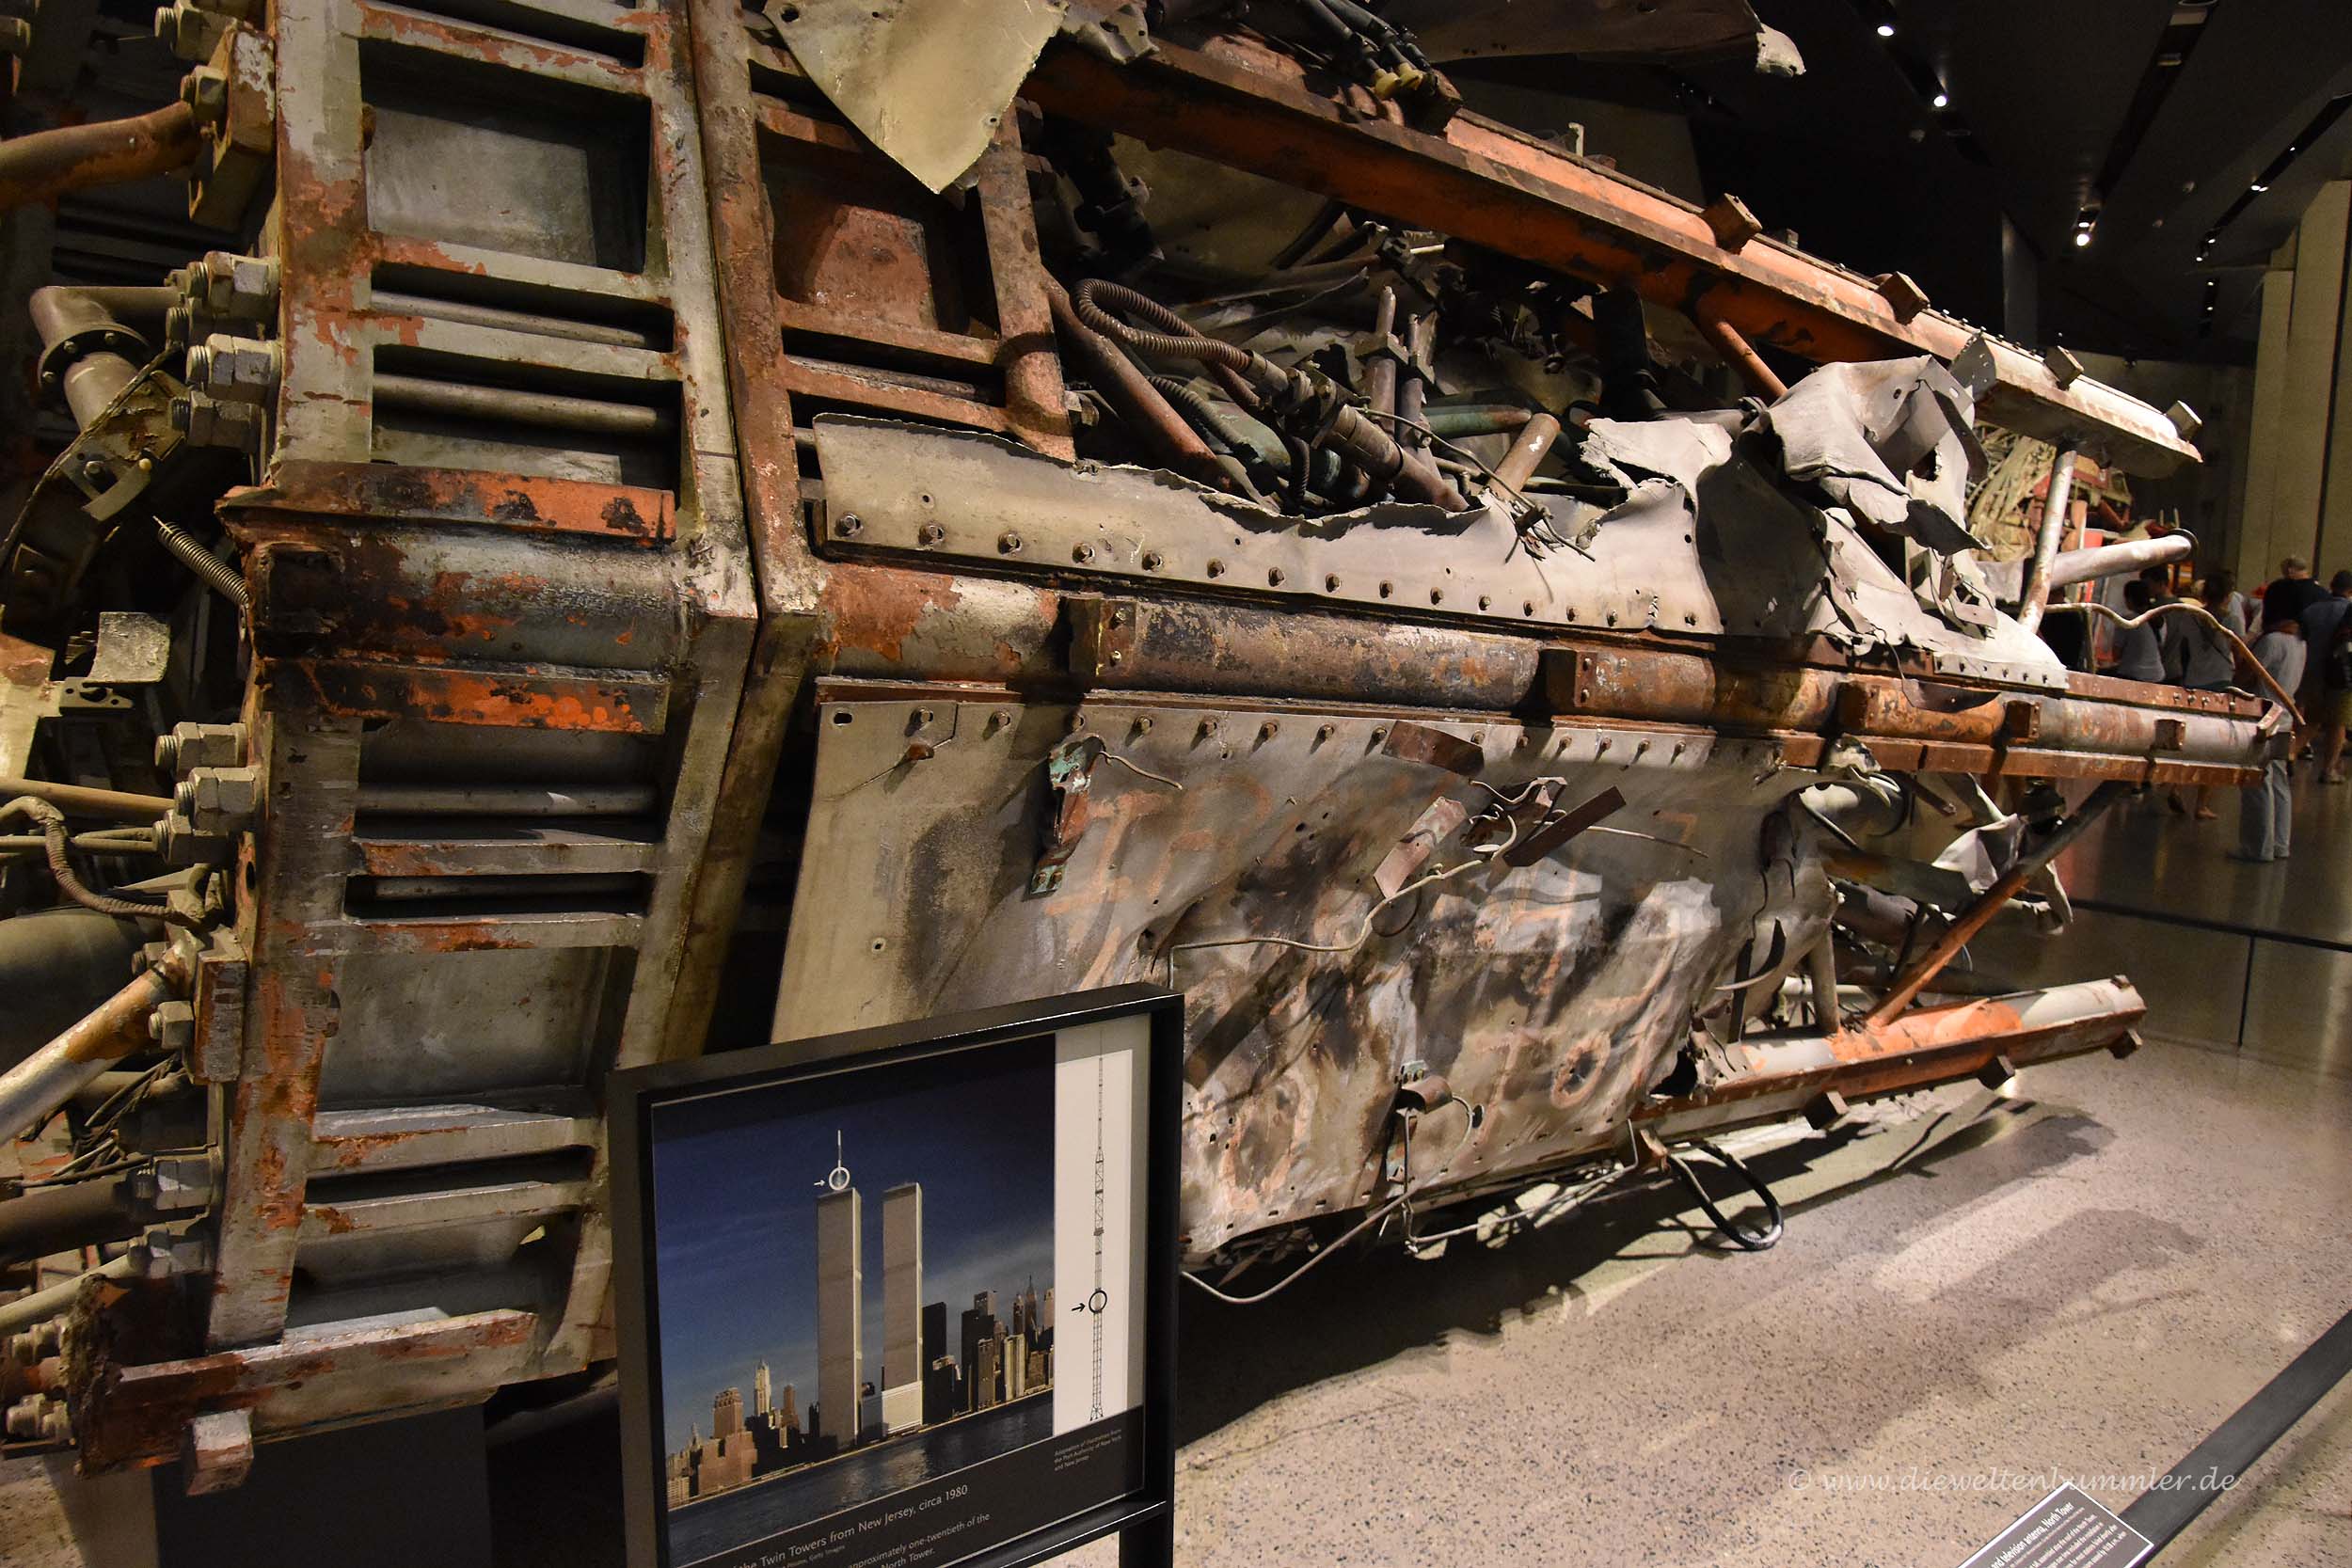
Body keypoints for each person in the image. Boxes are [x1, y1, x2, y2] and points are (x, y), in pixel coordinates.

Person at [2167, 570, 2247, 819]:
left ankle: (2175, 786)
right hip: (2221, 683)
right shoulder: (2232, 620)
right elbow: (2240, 653)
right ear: (2228, 595)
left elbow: (2182, 650)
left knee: (2188, 739)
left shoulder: (2190, 617)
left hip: (2193, 682)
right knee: (2215, 746)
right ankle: (2201, 805)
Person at [2234, 603, 2306, 863]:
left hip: (2262, 716)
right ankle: (2280, 844)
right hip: (2284, 716)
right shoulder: (2300, 642)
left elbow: (2248, 674)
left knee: (2257, 781)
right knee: (2278, 782)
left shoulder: (2272, 641)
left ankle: (2257, 847)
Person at [2298, 570, 2352, 783]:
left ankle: (2290, 753)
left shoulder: (2312, 609)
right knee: (2338, 723)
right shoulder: (2348, 610)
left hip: (2311, 671)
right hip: (2340, 675)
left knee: (2312, 719)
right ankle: (2329, 769)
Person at [2110, 579, 2166, 682]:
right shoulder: (2160, 619)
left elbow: (2116, 655)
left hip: (2134, 675)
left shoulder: (2127, 621)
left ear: (2129, 600)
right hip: (2157, 676)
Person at [2262, 555, 2328, 626]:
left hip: (2281, 629)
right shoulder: (2322, 591)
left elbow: (2267, 616)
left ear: (2290, 571)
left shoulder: (2277, 588)